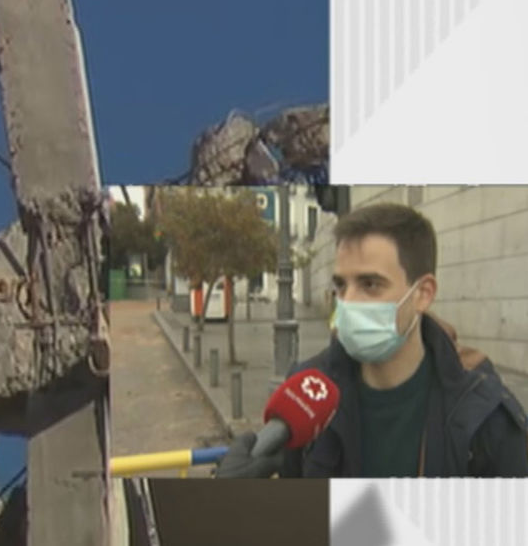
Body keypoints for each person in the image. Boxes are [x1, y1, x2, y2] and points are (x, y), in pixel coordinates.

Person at [217, 202, 528, 478]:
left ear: (422, 294)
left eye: (370, 284)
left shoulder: (485, 414)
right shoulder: (308, 393)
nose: (347, 302)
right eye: (341, 285)